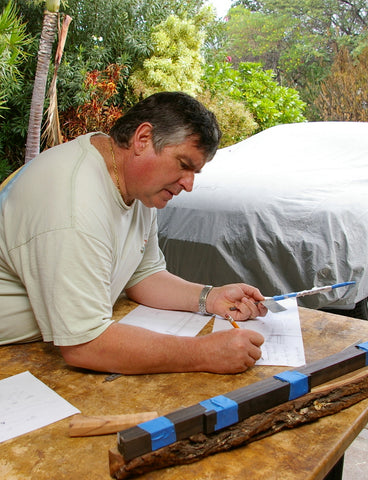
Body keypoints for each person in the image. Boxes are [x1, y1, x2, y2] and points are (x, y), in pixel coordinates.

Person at [0, 91, 267, 375]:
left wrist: (210, 297)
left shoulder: (135, 185)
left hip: (35, 347)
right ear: (143, 139)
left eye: (195, 173)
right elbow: (85, 344)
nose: (188, 184)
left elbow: (143, 275)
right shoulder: (73, 204)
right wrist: (203, 352)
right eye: (184, 165)